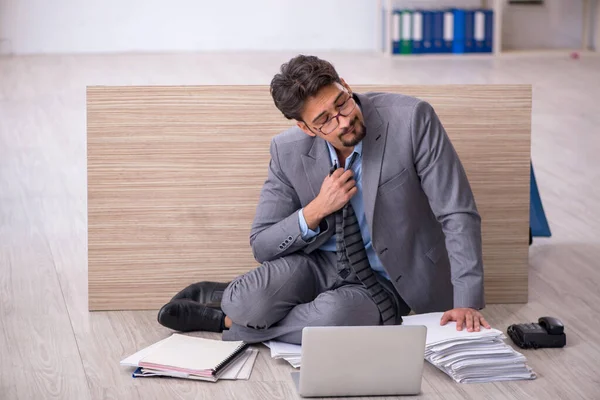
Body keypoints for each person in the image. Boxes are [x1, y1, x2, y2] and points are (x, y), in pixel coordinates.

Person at [157, 55, 491, 344]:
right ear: (305, 128)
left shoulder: (412, 119)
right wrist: (317, 209)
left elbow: (457, 211)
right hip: (317, 264)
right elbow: (262, 244)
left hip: (386, 277)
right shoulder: (287, 150)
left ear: (345, 84)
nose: (344, 119)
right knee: (249, 303)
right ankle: (240, 304)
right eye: (325, 119)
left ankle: (226, 322)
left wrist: (467, 301)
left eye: (342, 102)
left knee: (335, 316)